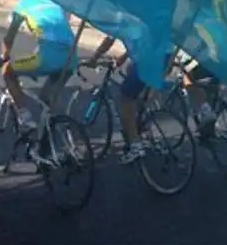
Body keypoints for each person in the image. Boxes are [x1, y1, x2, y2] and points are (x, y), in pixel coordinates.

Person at [85, 40, 217, 164]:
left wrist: (93, 59)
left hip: (149, 58)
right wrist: (124, 57)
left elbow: (111, 38)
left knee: (125, 99)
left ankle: (135, 146)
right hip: (165, 56)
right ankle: (143, 118)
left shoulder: (123, 21)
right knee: (133, 75)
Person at [0, 0, 75, 132]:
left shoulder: (24, 3)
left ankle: (24, 117)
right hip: (71, 56)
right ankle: (46, 139)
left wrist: (4, 56)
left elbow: (9, 38)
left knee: (7, 70)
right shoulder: (55, 0)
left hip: (49, 55)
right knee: (46, 101)